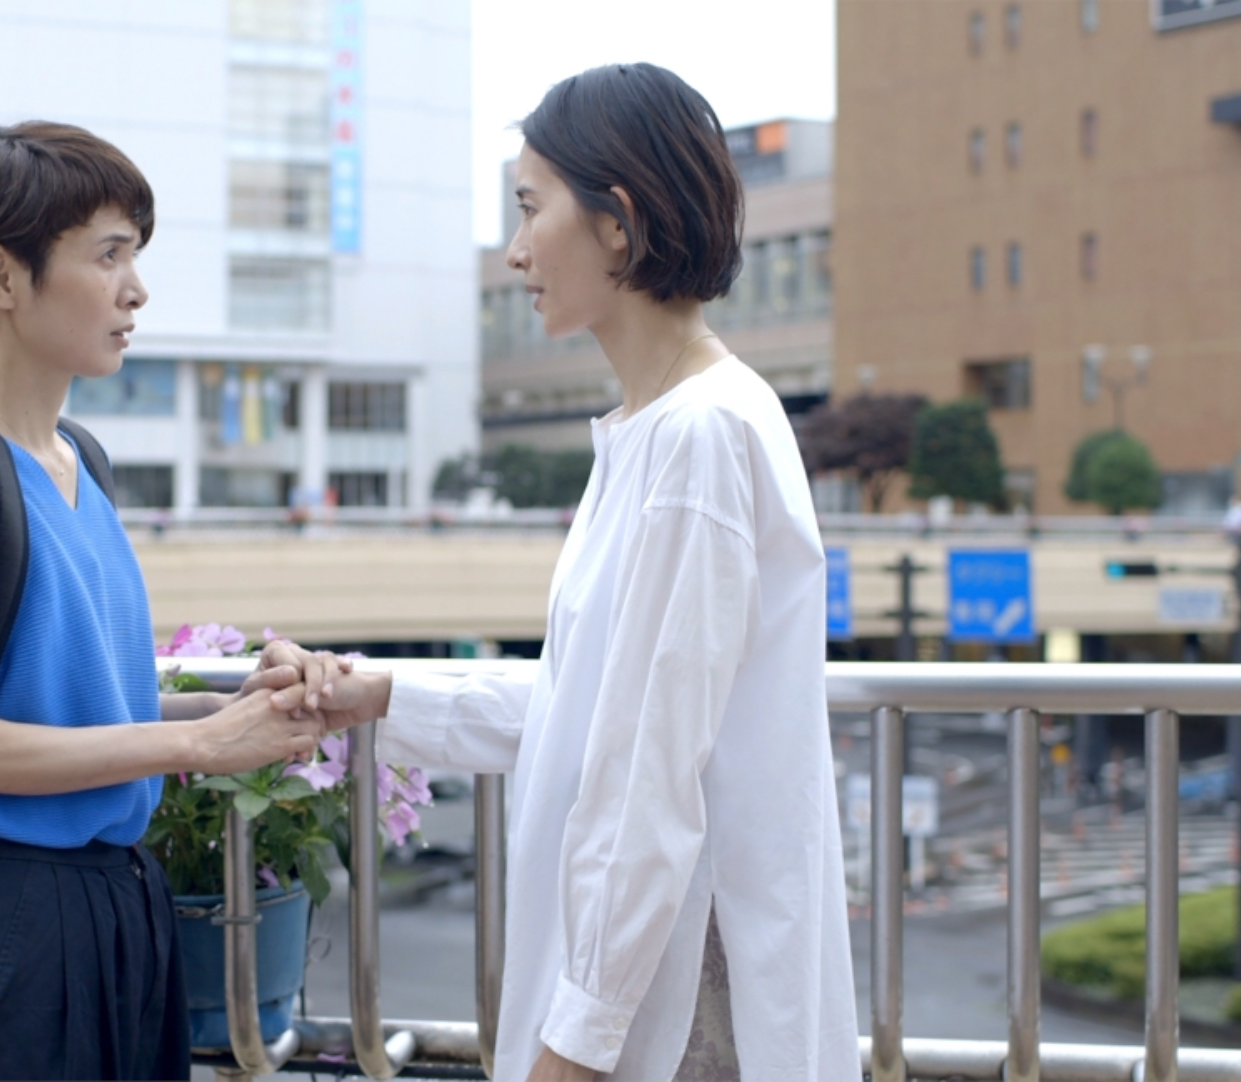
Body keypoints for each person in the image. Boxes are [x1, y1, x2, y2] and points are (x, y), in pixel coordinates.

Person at [264, 64, 858, 1081]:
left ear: (617, 223)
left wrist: (568, 1053)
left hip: (682, 1014)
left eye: (531, 208)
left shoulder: (695, 439)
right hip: (663, 991)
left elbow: (647, 778)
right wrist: (381, 693)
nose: (514, 249)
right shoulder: (662, 428)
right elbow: (599, 704)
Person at [0, 121, 321, 1080]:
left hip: (118, 900)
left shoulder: (84, 464)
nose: (136, 289)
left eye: (135, 256)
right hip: (9, 915)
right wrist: (199, 746)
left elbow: (75, 710)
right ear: (2, 276)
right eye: (108, 255)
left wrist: (237, 709)